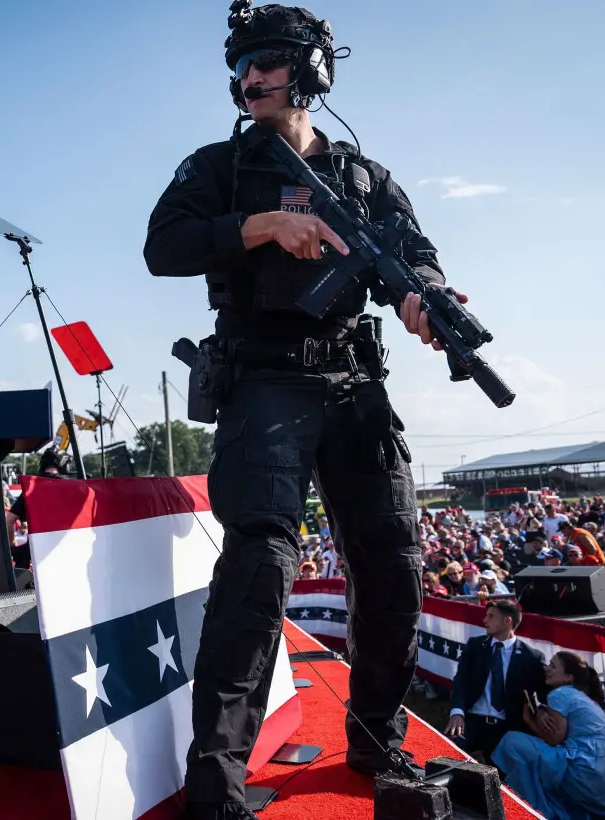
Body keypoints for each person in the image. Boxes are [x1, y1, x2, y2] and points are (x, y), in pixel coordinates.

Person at [143, 5, 477, 811]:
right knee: (261, 565)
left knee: (393, 563)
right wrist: (261, 225)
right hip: (265, 381)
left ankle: (376, 744)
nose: (250, 78)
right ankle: (217, 784)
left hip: (356, 384)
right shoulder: (217, 165)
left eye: (268, 61)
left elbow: (416, 256)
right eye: (244, 65)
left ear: (313, 71)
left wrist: (426, 299)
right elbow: (163, 247)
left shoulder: (364, 177)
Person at [491, 651, 605, 820]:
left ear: (568, 678)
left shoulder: (560, 694)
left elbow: (554, 739)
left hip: (584, 768)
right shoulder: (585, 697)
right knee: (537, 757)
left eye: (553, 666)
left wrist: (529, 720)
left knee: (512, 742)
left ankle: (532, 809)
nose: (546, 669)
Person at [445, 600, 547, 761]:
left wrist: (541, 711)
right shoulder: (475, 646)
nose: (485, 621)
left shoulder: (531, 657)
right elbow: (461, 680)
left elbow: (541, 693)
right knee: (445, 753)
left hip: (506, 727)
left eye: (491, 617)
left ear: (508, 621)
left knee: (499, 778)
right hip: (472, 720)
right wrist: (457, 712)